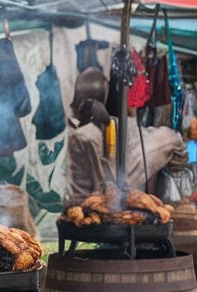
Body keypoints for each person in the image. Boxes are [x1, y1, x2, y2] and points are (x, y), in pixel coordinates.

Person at [66, 67, 187, 202]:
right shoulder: (84, 136)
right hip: (106, 210)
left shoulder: (80, 134)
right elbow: (178, 149)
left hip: (105, 210)